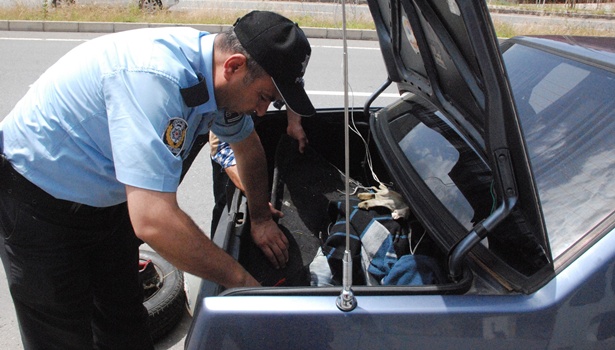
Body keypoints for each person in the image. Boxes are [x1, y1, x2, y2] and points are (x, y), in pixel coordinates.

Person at [0, 10, 315, 349]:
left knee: (124, 322)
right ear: (234, 66)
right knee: (62, 337)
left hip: (108, 201)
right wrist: (243, 284)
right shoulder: (155, 79)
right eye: (265, 97)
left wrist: (262, 218)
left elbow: (248, 146)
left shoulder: (215, 75)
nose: (263, 110)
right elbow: (154, 221)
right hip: (38, 202)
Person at [210, 109, 309, 234]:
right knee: (226, 208)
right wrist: (260, 211)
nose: (263, 108)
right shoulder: (226, 108)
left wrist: (294, 122)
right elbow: (222, 150)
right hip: (231, 141)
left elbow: (293, 91)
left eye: (271, 99)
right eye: (263, 97)